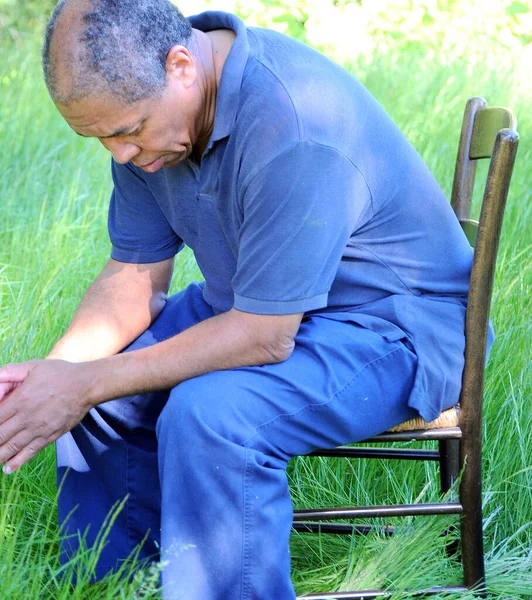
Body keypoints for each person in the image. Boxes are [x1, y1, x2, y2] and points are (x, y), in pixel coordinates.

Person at [0, 1, 474, 598]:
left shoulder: (293, 123)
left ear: (180, 66)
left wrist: (89, 381)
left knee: (211, 417)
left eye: (126, 131)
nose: (120, 154)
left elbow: (264, 334)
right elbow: (133, 275)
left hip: (391, 325)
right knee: (91, 398)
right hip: (263, 301)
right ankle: (116, 586)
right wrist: (58, 376)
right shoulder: (153, 122)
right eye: (99, 138)